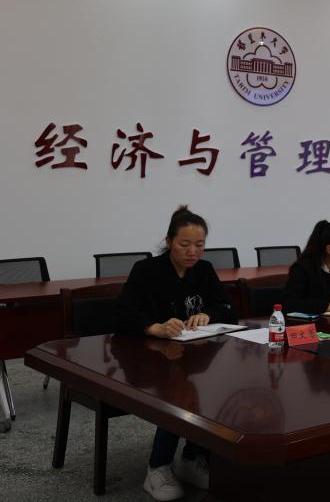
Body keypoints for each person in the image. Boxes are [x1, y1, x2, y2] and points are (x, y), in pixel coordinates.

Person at [114, 206, 237, 501]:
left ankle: (194, 456)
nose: (193, 252)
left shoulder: (204, 270)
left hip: (193, 355)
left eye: (200, 244)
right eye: (184, 244)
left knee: (211, 386)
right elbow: (122, 314)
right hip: (148, 356)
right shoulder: (146, 271)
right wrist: (153, 327)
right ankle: (158, 466)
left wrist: (208, 314)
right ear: (169, 241)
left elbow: (226, 306)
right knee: (178, 391)